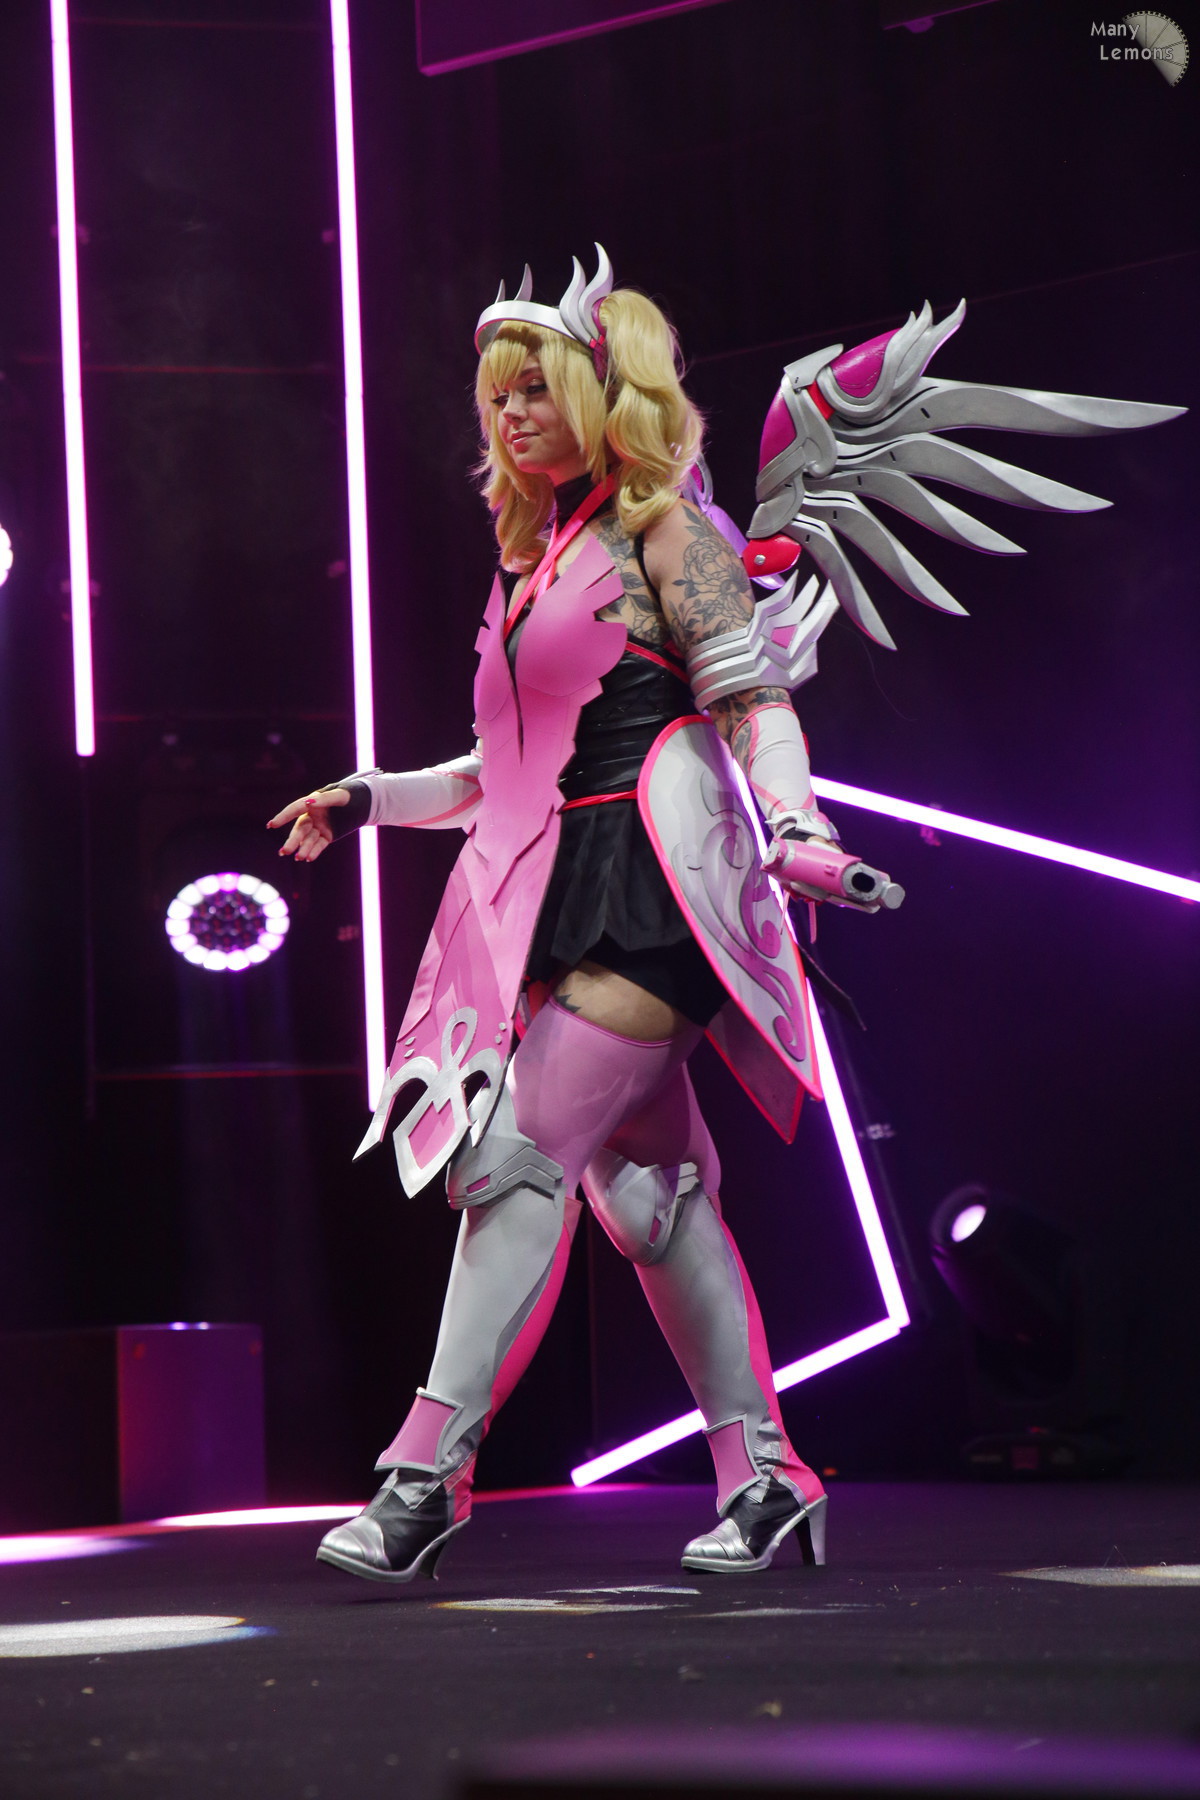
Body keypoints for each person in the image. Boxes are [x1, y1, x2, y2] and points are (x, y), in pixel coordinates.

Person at [267, 250, 856, 1585]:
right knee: (655, 1202)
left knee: (514, 1159)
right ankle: (767, 1478)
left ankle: (425, 1477)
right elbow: (501, 771)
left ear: (601, 391)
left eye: (534, 388)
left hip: (651, 894)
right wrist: (367, 797)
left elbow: (753, 700)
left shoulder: (672, 533)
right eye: (495, 395)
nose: (510, 413)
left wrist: (801, 829)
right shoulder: (535, 564)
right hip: (546, 899)